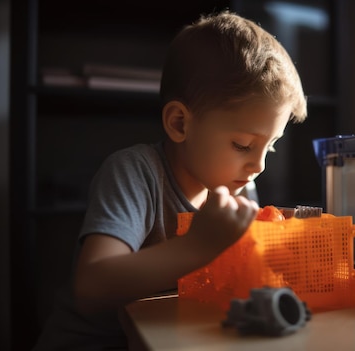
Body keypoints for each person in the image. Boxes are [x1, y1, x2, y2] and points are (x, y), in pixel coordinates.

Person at [33, 10, 307, 350]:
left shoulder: (240, 186)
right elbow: (92, 288)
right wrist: (199, 245)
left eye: (272, 146)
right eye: (243, 145)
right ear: (180, 124)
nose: (259, 165)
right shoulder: (135, 173)